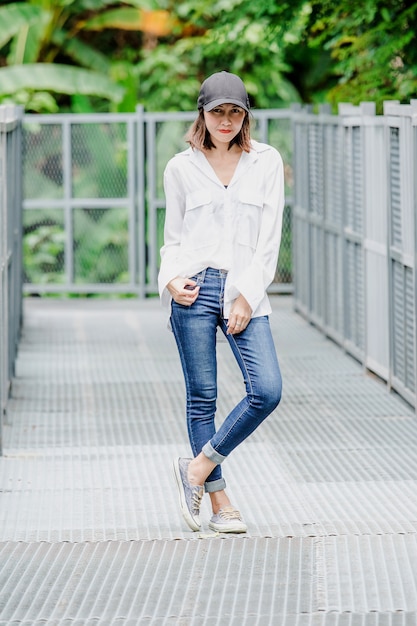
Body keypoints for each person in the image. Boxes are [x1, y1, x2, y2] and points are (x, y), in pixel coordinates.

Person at [158, 71, 284, 533]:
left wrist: (249, 295)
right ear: (203, 114)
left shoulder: (266, 162)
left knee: (266, 389)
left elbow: (269, 241)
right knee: (202, 399)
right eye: (218, 112)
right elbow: (173, 240)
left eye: (235, 112)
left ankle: (195, 469)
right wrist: (170, 279)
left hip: (242, 289)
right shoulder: (181, 167)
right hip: (191, 288)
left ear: (245, 115)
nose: (226, 120)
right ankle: (220, 503)